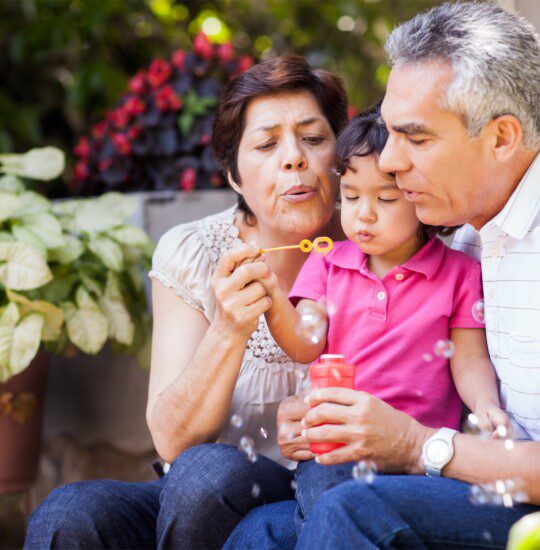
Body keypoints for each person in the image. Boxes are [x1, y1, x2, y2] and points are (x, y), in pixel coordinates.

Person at [227, 3, 540, 548]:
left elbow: (464, 371)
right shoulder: (459, 224)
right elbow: (313, 339)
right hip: (464, 475)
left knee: (351, 509)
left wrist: (417, 443)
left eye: (415, 138)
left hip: (511, 496)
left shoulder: (456, 253)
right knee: (259, 531)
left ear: (501, 137)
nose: (390, 162)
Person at [24, 55, 348, 549]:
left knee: (206, 472)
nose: (294, 158)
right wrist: (228, 330)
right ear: (234, 175)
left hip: (314, 494)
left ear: (340, 153)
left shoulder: (376, 247)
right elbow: (172, 441)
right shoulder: (195, 250)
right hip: (194, 501)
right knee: (71, 513)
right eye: (266, 143)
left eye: (314, 138)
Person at [256, 102, 509, 533]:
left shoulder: (460, 274)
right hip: (339, 445)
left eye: (385, 199)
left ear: (418, 195)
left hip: (417, 456)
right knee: (321, 492)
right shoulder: (328, 263)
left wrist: (485, 404)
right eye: (351, 197)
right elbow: (304, 341)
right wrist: (269, 295)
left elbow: (468, 359)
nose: (363, 214)